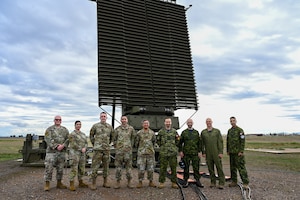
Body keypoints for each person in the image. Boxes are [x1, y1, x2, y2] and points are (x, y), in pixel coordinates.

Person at [89, 112, 114, 190]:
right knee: (95, 166)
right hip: (98, 149)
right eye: (102, 116)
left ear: (106, 118)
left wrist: (108, 144)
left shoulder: (109, 127)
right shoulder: (95, 126)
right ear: (100, 117)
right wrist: (95, 144)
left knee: (106, 166)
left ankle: (105, 182)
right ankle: (93, 183)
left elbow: (112, 137)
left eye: (104, 116)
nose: (103, 117)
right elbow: (91, 135)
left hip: (106, 149)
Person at [44, 115, 69, 191]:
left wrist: (63, 145)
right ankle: (47, 184)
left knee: (60, 168)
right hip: (51, 152)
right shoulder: (49, 129)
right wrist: (56, 146)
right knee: (49, 168)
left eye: (59, 119)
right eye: (56, 119)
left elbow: (68, 139)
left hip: (61, 152)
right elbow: (47, 139)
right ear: (54, 120)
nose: (58, 120)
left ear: (61, 121)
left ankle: (59, 183)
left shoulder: (65, 130)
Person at [201, 118, 225, 189]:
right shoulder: (203, 132)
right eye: (207, 121)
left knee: (219, 168)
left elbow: (220, 142)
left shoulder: (217, 131)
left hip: (216, 152)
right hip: (208, 153)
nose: (208, 123)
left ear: (212, 122)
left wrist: (220, 152)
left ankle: (221, 182)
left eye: (209, 121)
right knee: (210, 168)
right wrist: (203, 152)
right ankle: (213, 182)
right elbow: (202, 144)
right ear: (206, 123)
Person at [178, 118, 204, 188]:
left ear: (192, 123)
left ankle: (197, 180)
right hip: (186, 153)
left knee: (196, 167)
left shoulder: (196, 132)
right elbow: (180, 143)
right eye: (188, 122)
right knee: (186, 168)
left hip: (195, 153)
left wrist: (199, 151)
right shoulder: (184, 132)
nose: (190, 123)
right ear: (187, 123)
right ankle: (185, 180)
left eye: (191, 122)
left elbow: (199, 143)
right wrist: (180, 151)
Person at [113, 116, 136, 189]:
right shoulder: (117, 129)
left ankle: (129, 182)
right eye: (122, 119)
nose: (124, 120)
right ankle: (118, 182)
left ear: (127, 120)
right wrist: (117, 147)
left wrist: (130, 146)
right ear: (120, 120)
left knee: (129, 167)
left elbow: (133, 138)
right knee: (118, 167)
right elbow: (114, 139)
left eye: (125, 119)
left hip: (128, 152)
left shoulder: (131, 129)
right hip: (119, 152)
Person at [156, 118, 179, 189]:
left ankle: (174, 182)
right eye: (166, 122)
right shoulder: (161, 132)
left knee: (173, 168)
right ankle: (162, 182)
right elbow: (158, 141)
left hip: (172, 153)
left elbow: (177, 141)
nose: (168, 123)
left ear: (171, 123)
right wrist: (163, 147)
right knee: (163, 168)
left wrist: (173, 147)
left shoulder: (174, 131)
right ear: (164, 123)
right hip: (164, 152)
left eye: (169, 122)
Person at [227, 116, 249, 189]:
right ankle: (234, 181)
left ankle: (245, 182)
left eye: (233, 121)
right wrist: (228, 150)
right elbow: (228, 141)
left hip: (238, 153)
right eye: (231, 121)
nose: (232, 122)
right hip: (231, 153)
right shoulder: (229, 131)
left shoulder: (240, 130)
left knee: (241, 168)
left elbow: (242, 141)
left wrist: (241, 151)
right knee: (232, 168)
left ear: (236, 121)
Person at [134, 119, 157, 188]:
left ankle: (151, 181)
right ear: (142, 124)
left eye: (147, 123)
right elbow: (136, 143)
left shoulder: (152, 133)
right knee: (141, 169)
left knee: (151, 169)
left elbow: (154, 142)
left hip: (150, 154)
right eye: (144, 123)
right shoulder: (139, 133)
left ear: (149, 124)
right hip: (142, 154)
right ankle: (140, 181)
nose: (146, 125)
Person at [68, 120, 89, 191]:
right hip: (74, 154)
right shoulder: (72, 134)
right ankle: (71, 184)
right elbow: (73, 144)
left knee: (81, 169)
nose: (78, 125)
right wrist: (81, 148)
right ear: (75, 125)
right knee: (74, 169)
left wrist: (85, 148)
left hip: (82, 155)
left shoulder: (83, 134)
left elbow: (86, 142)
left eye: (80, 124)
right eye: (77, 124)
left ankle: (80, 182)